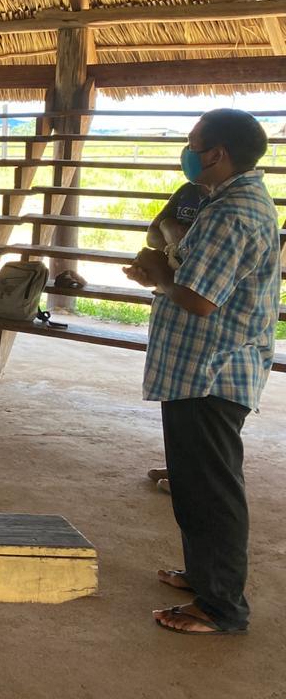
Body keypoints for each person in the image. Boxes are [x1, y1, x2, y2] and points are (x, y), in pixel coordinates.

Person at [123, 109, 278, 636]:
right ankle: (204, 577)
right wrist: (164, 270)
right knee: (193, 482)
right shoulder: (228, 203)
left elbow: (198, 299)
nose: (186, 151)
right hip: (201, 368)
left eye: (193, 143)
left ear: (217, 153)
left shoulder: (232, 212)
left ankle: (222, 607)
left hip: (213, 370)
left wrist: (159, 275)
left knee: (212, 489)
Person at [142, 179, 207, 495]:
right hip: (177, 304)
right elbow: (154, 233)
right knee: (180, 401)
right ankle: (181, 467)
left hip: (201, 315)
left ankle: (194, 477)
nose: (190, 153)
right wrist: (170, 233)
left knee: (203, 406)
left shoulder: (228, 205)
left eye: (195, 145)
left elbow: (201, 293)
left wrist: (164, 262)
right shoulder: (189, 191)